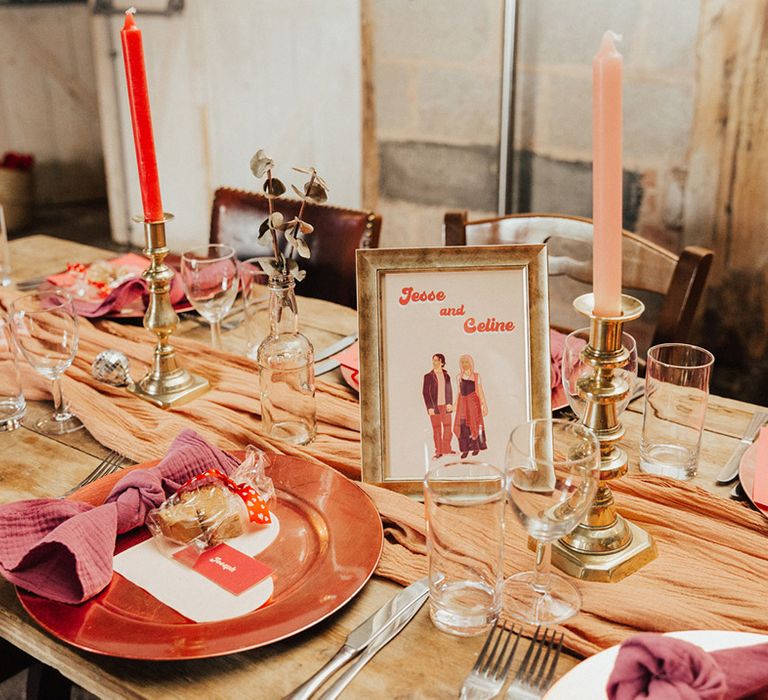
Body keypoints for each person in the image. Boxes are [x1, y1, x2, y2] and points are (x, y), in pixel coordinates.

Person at [453, 354, 488, 457]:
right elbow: (459, 392)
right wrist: (455, 404)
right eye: (462, 362)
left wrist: (484, 405)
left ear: (471, 363)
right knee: (462, 426)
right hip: (463, 404)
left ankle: (476, 447)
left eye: (466, 362)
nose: (464, 364)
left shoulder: (476, 376)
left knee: (474, 425)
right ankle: (465, 449)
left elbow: (480, 391)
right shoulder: (459, 377)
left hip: (473, 404)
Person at [422, 353, 454, 458]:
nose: (434, 362)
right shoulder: (428, 376)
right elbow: (426, 393)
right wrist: (430, 407)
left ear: (442, 362)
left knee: (448, 428)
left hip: (445, 406)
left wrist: (449, 403)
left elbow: (449, 390)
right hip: (434, 407)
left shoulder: (446, 375)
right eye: (433, 360)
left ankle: (447, 449)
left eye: (436, 360)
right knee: (437, 429)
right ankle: (439, 451)